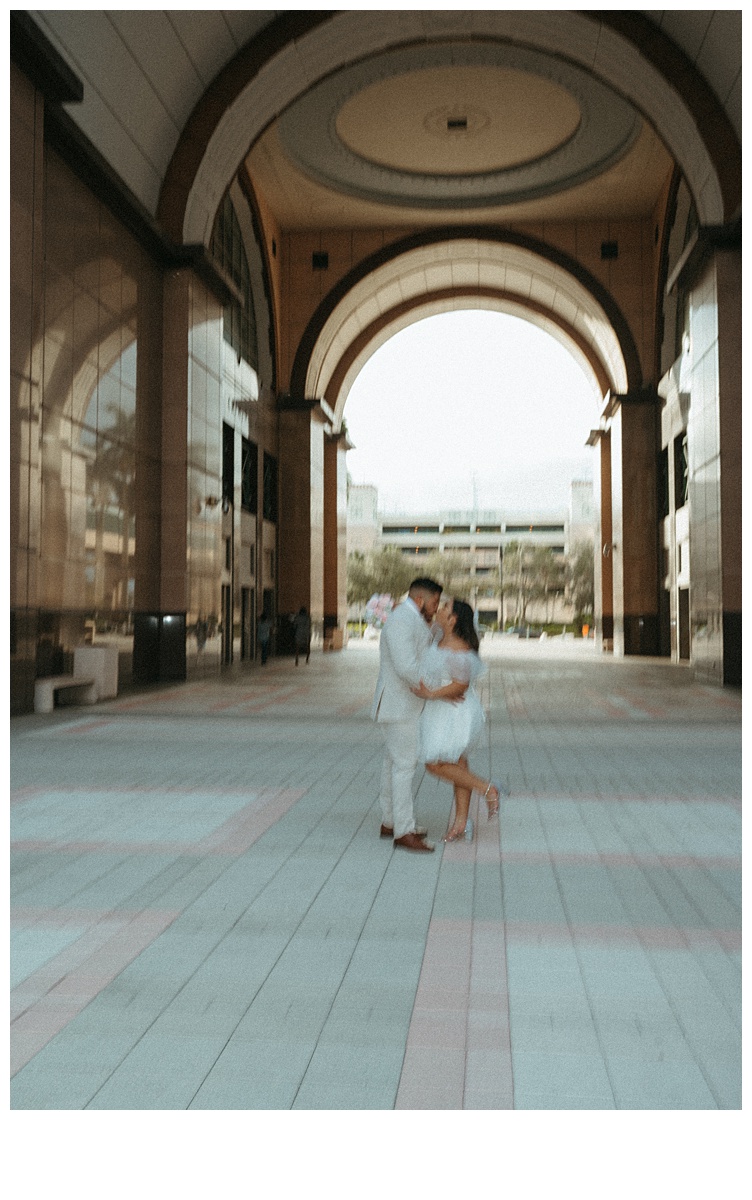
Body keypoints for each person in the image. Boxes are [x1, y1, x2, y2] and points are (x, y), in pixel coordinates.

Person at [412, 597, 508, 843]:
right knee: (458, 764)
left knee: (434, 764)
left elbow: (460, 686)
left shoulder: (459, 648)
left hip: (456, 712)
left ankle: (488, 788)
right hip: (442, 711)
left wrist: (430, 694)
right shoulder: (439, 635)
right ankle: (460, 824)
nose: (440, 609)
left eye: (445, 608)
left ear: (453, 619)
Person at [370, 578, 443, 852]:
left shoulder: (410, 618)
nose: (436, 608)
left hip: (401, 704)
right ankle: (404, 830)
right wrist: (434, 690)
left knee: (393, 763)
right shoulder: (402, 619)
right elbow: (406, 666)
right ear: (422, 599)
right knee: (404, 766)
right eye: (435, 602)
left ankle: (390, 821)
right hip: (400, 705)